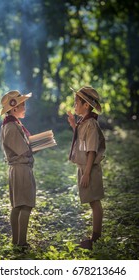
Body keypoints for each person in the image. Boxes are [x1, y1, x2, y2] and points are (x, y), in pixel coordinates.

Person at [67, 86, 106, 250]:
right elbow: (82, 140)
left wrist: (87, 173)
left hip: (90, 169)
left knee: (95, 202)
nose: (74, 104)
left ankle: (96, 238)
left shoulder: (91, 124)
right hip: (84, 168)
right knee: (92, 201)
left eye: (77, 102)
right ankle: (95, 237)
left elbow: (91, 151)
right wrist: (73, 125)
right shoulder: (84, 122)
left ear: (86, 105)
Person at [0, 90, 36, 248]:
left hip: (18, 168)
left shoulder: (11, 124)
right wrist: (38, 144)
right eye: (23, 105)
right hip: (20, 168)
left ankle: (16, 241)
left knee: (17, 205)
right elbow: (23, 149)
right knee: (24, 205)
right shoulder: (11, 127)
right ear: (14, 108)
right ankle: (21, 242)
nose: (25, 108)